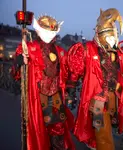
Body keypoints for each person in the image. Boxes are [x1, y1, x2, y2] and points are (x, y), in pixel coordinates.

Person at [66, 8, 123, 150]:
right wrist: (71, 92)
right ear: (100, 35)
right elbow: (75, 72)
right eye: (108, 37)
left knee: (102, 132)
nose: (112, 40)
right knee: (103, 136)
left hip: (113, 100)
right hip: (97, 102)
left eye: (114, 37)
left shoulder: (119, 54)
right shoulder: (87, 49)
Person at [12, 15, 75, 150]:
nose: (49, 34)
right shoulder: (29, 48)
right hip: (38, 98)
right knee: (40, 132)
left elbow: (68, 73)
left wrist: (70, 90)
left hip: (56, 98)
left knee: (58, 131)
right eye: (46, 31)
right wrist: (19, 62)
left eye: (52, 32)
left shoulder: (61, 52)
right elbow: (16, 74)